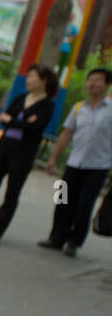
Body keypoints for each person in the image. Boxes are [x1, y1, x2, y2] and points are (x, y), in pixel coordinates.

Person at [0, 64, 58, 243]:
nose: (28, 79)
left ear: (44, 80)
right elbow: (4, 119)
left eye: (33, 76)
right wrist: (20, 122)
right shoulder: (20, 98)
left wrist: (14, 121)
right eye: (29, 76)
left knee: (12, 193)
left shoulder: (47, 106)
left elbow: (35, 127)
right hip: (4, 146)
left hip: (24, 153)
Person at [38, 66, 112, 257]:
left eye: (97, 80)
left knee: (84, 205)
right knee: (61, 199)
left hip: (98, 167)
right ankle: (56, 237)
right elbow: (66, 133)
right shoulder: (78, 107)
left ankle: (74, 242)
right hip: (73, 163)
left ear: (107, 85)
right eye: (90, 80)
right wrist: (53, 158)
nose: (92, 83)